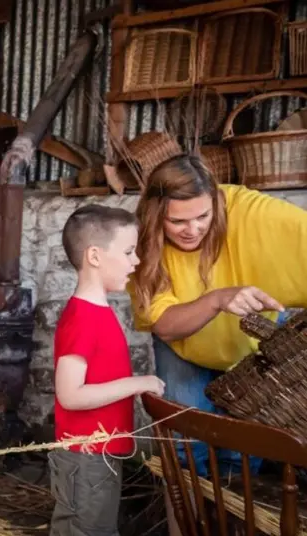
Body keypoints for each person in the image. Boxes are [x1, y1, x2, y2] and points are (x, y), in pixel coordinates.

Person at [127, 154, 307, 478]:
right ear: (156, 216)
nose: (192, 230)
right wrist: (217, 299)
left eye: (202, 216)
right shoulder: (142, 244)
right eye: (177, 221)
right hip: (184, 347)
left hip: (251, 348)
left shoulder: (247, 209)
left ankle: (231, 511)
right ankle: (191, 519)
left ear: (216, 201)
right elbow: (165, 326)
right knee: (187, 443)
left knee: (245, 449)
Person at [49, 204, 166, 536]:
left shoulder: (98, 311)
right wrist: (135, 383)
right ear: (95, 256)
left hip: (98, 453)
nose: (136, 260)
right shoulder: (83, 318)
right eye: (129, 251)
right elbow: (70, 395)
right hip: (85, 455)